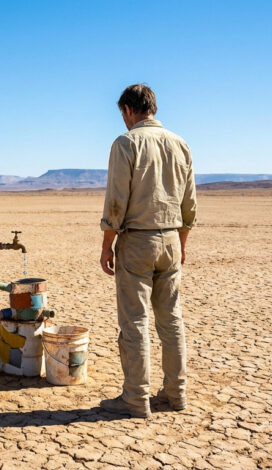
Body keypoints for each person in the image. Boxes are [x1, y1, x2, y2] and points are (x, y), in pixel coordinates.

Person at [99, 84, 197, 418]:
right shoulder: (180, 144)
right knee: (171, 320)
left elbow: (116, 201)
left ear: (128, 109)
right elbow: (189, 204)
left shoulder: (126, 143)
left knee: (135, 322)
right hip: (170, 239)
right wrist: (180, 245)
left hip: (137, 241)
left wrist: (106, 245)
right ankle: (176, 394)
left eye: (122, 114)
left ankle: (136, 398)